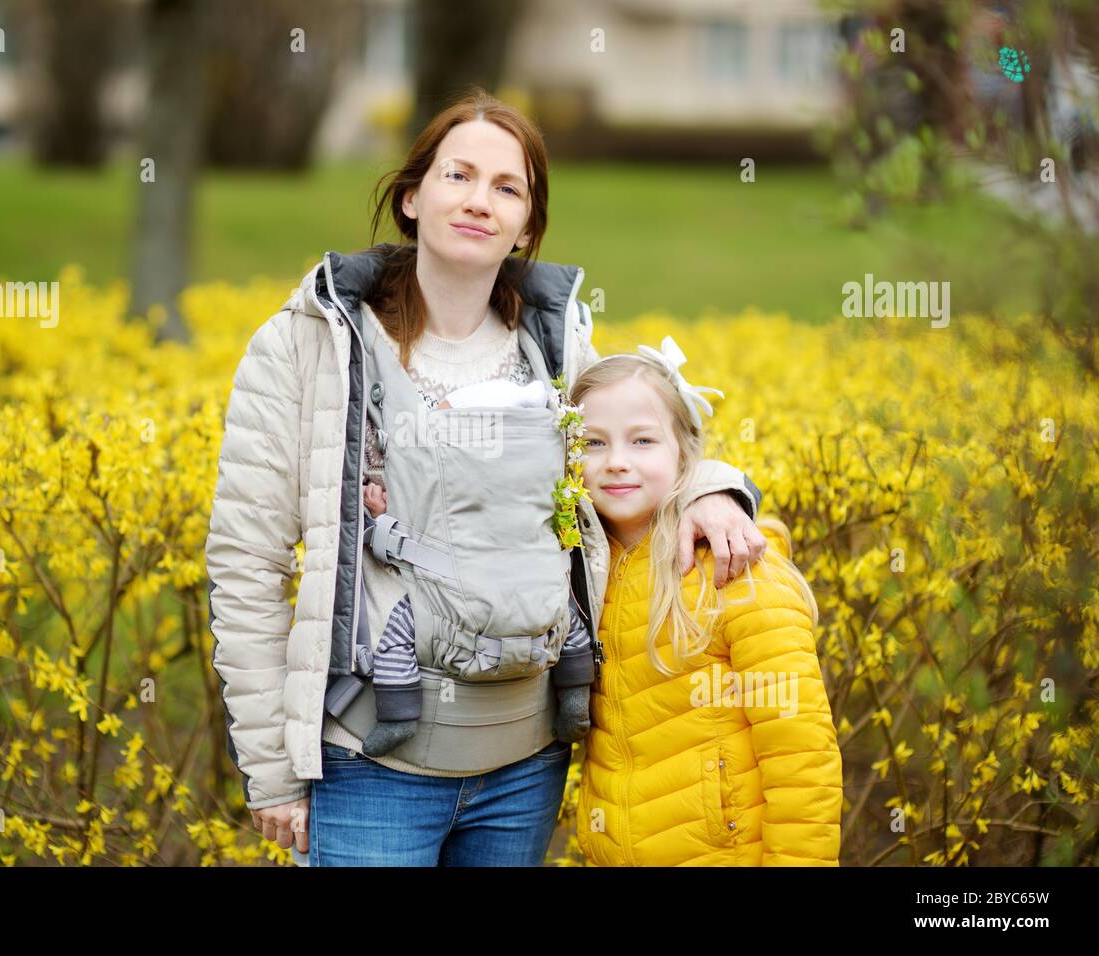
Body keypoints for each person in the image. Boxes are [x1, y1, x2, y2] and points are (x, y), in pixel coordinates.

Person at [206, 86, 769, 867]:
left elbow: (639, 449)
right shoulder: (311, 343)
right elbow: (245, 560)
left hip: (526, 767)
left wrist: (712, 488)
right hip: (371, 772)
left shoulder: (554, 345)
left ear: (527, 225)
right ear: (410, 198)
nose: (481, 201)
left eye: (508, 188)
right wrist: (272, 770)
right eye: (458, 176)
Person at [571, 336, 842, 866]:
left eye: (643, 441)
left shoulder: (735, 571)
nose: (617, 463)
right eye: (593, 443)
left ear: (685, 454)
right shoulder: (578, 569)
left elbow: (801, 754)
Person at [359, 376, 594, 758]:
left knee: (398, 630)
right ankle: (574, 697)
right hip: (531, 587)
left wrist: (382, 511)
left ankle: (398, 713)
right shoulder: (529, 469)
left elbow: (416, 517)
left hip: (455, 595)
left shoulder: (449, 465)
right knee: (567, 620)